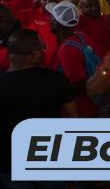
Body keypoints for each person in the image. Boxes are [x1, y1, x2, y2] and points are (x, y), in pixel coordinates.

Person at [0, 30, 77, 188]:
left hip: (10, 163)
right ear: (34, 54)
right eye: (42, 49)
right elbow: (74, 119)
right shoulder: (55, 80)